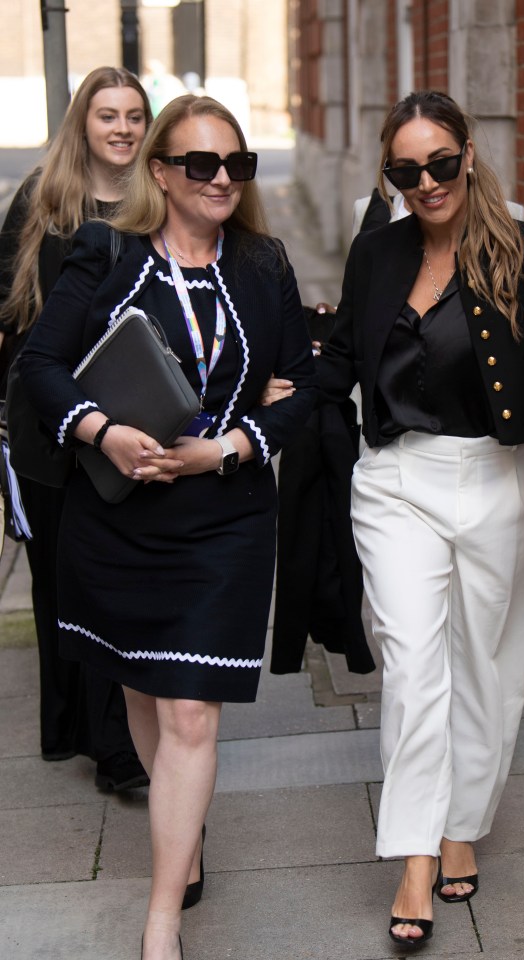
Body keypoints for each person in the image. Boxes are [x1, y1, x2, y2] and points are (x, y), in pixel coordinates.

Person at [18, 93, 317, 960]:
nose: (222, 178)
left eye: (237, 164)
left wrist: (226, 448)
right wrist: (103, 431)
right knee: (146, 691)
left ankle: (159, 917)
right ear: (160, 172)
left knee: (191, 710)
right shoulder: (104, 257)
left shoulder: (263, 265)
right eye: (201, 164)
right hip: (117, 523)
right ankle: (178, 839)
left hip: (223, 522)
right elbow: (41, 365)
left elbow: (303, 390)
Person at [300, 90, 524, 948]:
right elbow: (346, 353)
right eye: (405, 170)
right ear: (389, 175)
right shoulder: (377, 252)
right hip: (398, 482)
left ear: (467, 153)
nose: (426, 182)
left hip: (499, 480)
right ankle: (417, 857)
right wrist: (283, 393)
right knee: (415, 664)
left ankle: (464, 820)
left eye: (439, 163)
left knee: (487, 668)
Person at [0, 66, 153, 789]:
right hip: (43, 430)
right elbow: (7, 316)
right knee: (55, 584)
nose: (121, 128)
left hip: (128, 424)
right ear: (82, 125)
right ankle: (68, 728)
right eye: (106, 116)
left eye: (133, 115)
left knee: (111, 585)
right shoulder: (41, 200)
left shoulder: (160, 201)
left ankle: (117, 746)